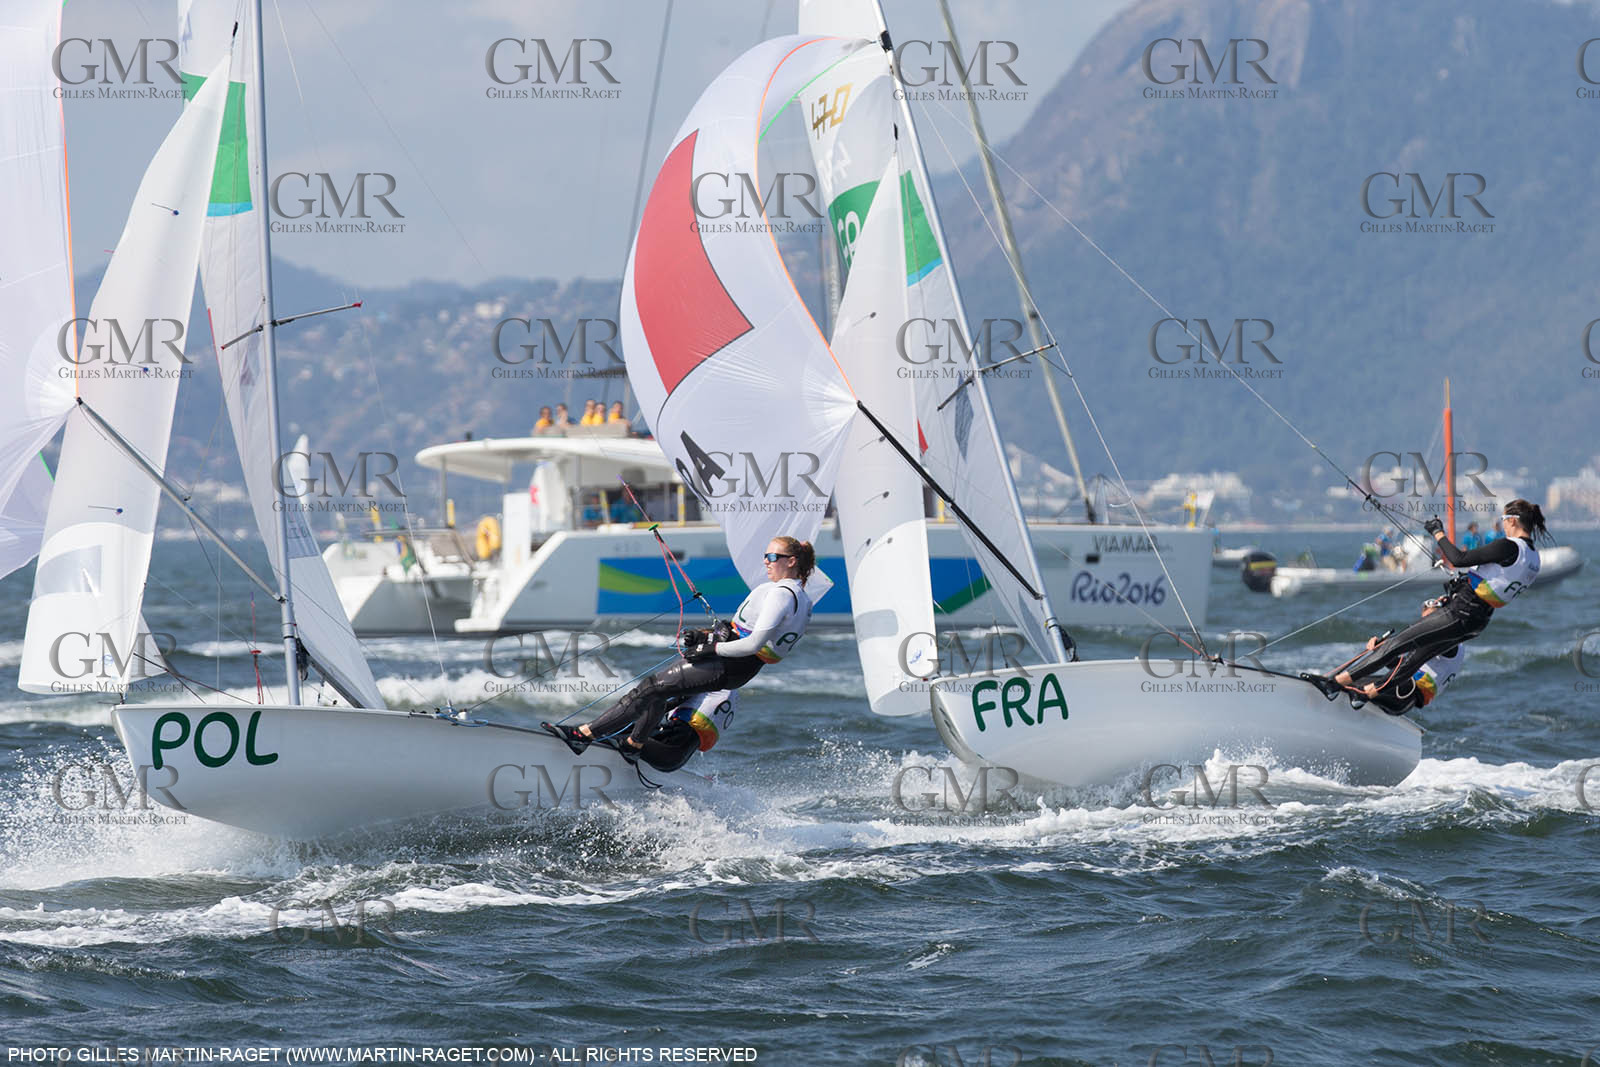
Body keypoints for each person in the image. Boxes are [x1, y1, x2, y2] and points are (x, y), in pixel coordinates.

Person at [543, 537, 816, 765]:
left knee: (651, 688)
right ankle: (632, 745)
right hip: (739, 666)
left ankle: (584, 736)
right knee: (661, 690)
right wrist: (713, 635)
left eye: (772, 555)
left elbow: (754, 644)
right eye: (765, 555)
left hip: (731, 662)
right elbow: (752, 636)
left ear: (791, 561)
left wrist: (713, 647)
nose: (766, 561)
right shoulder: (801, 598)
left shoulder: (781, 593)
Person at [1305, 499, 1548, 697]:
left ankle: (1333, 683)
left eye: (1504, 520)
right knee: (1416, 657)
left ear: (1513, 520)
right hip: (1478, 620)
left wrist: (1437, 532)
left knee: (1397, 644)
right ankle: (1369, 694)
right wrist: (1463, 584)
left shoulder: (1510, 546)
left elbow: (1459, 559)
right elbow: (1497, 582)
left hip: (1461, 612)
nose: (1502, 525)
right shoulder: (1534, 558)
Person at [1353, 599, 1467, 715]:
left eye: (1431, 620)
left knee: (1351, 686)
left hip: (1404, 692)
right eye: (1424, 620)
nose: (1426, 625)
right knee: (1354, 682)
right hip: (1402, 697)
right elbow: (1400, 667)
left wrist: (1387, 649)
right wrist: (1381, 650)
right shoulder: (1442, 643)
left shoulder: (1450, 641)